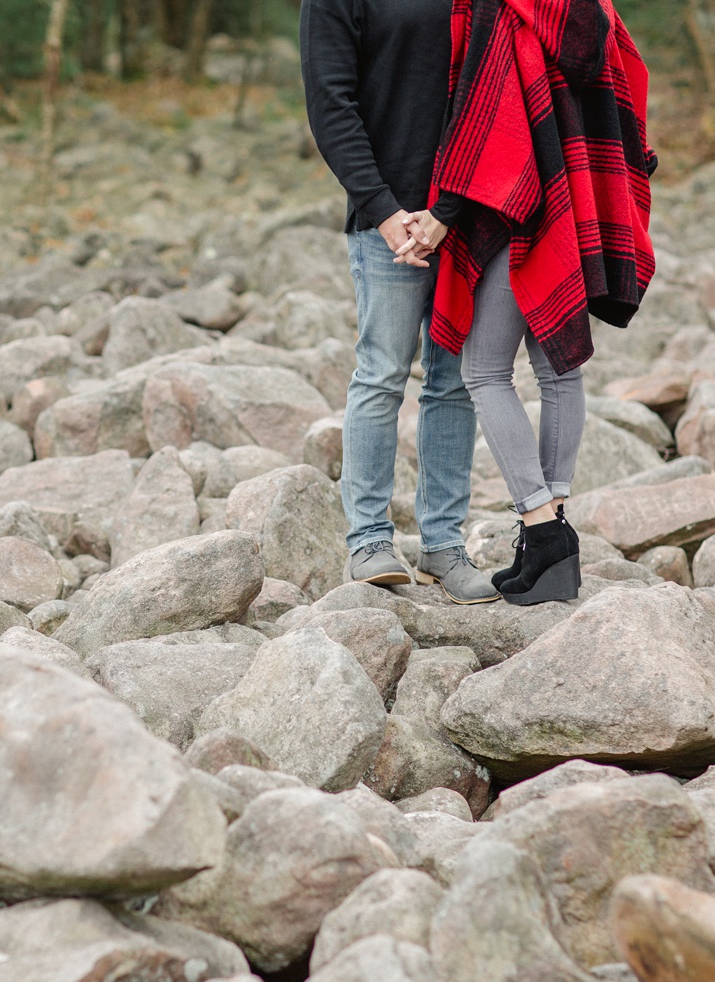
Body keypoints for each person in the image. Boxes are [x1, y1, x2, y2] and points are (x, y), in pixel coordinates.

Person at [404, 0, 657, 604]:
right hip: (576, 197)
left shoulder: (503, 10)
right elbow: (634, 92)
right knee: (557, 369)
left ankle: (542, 530)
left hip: (520, 208)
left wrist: (444, 215)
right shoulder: (596, 11)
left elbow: (486, 122)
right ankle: (554, 538)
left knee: (484, 371)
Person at [299, 0, 499, 605]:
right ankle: (368, 541)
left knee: (454, 381)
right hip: (385, 220)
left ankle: (443, 544)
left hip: (464, 216)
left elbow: (489, 101)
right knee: (382, 374)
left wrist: (448, 213)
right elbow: (331, 107)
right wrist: (385, 212)